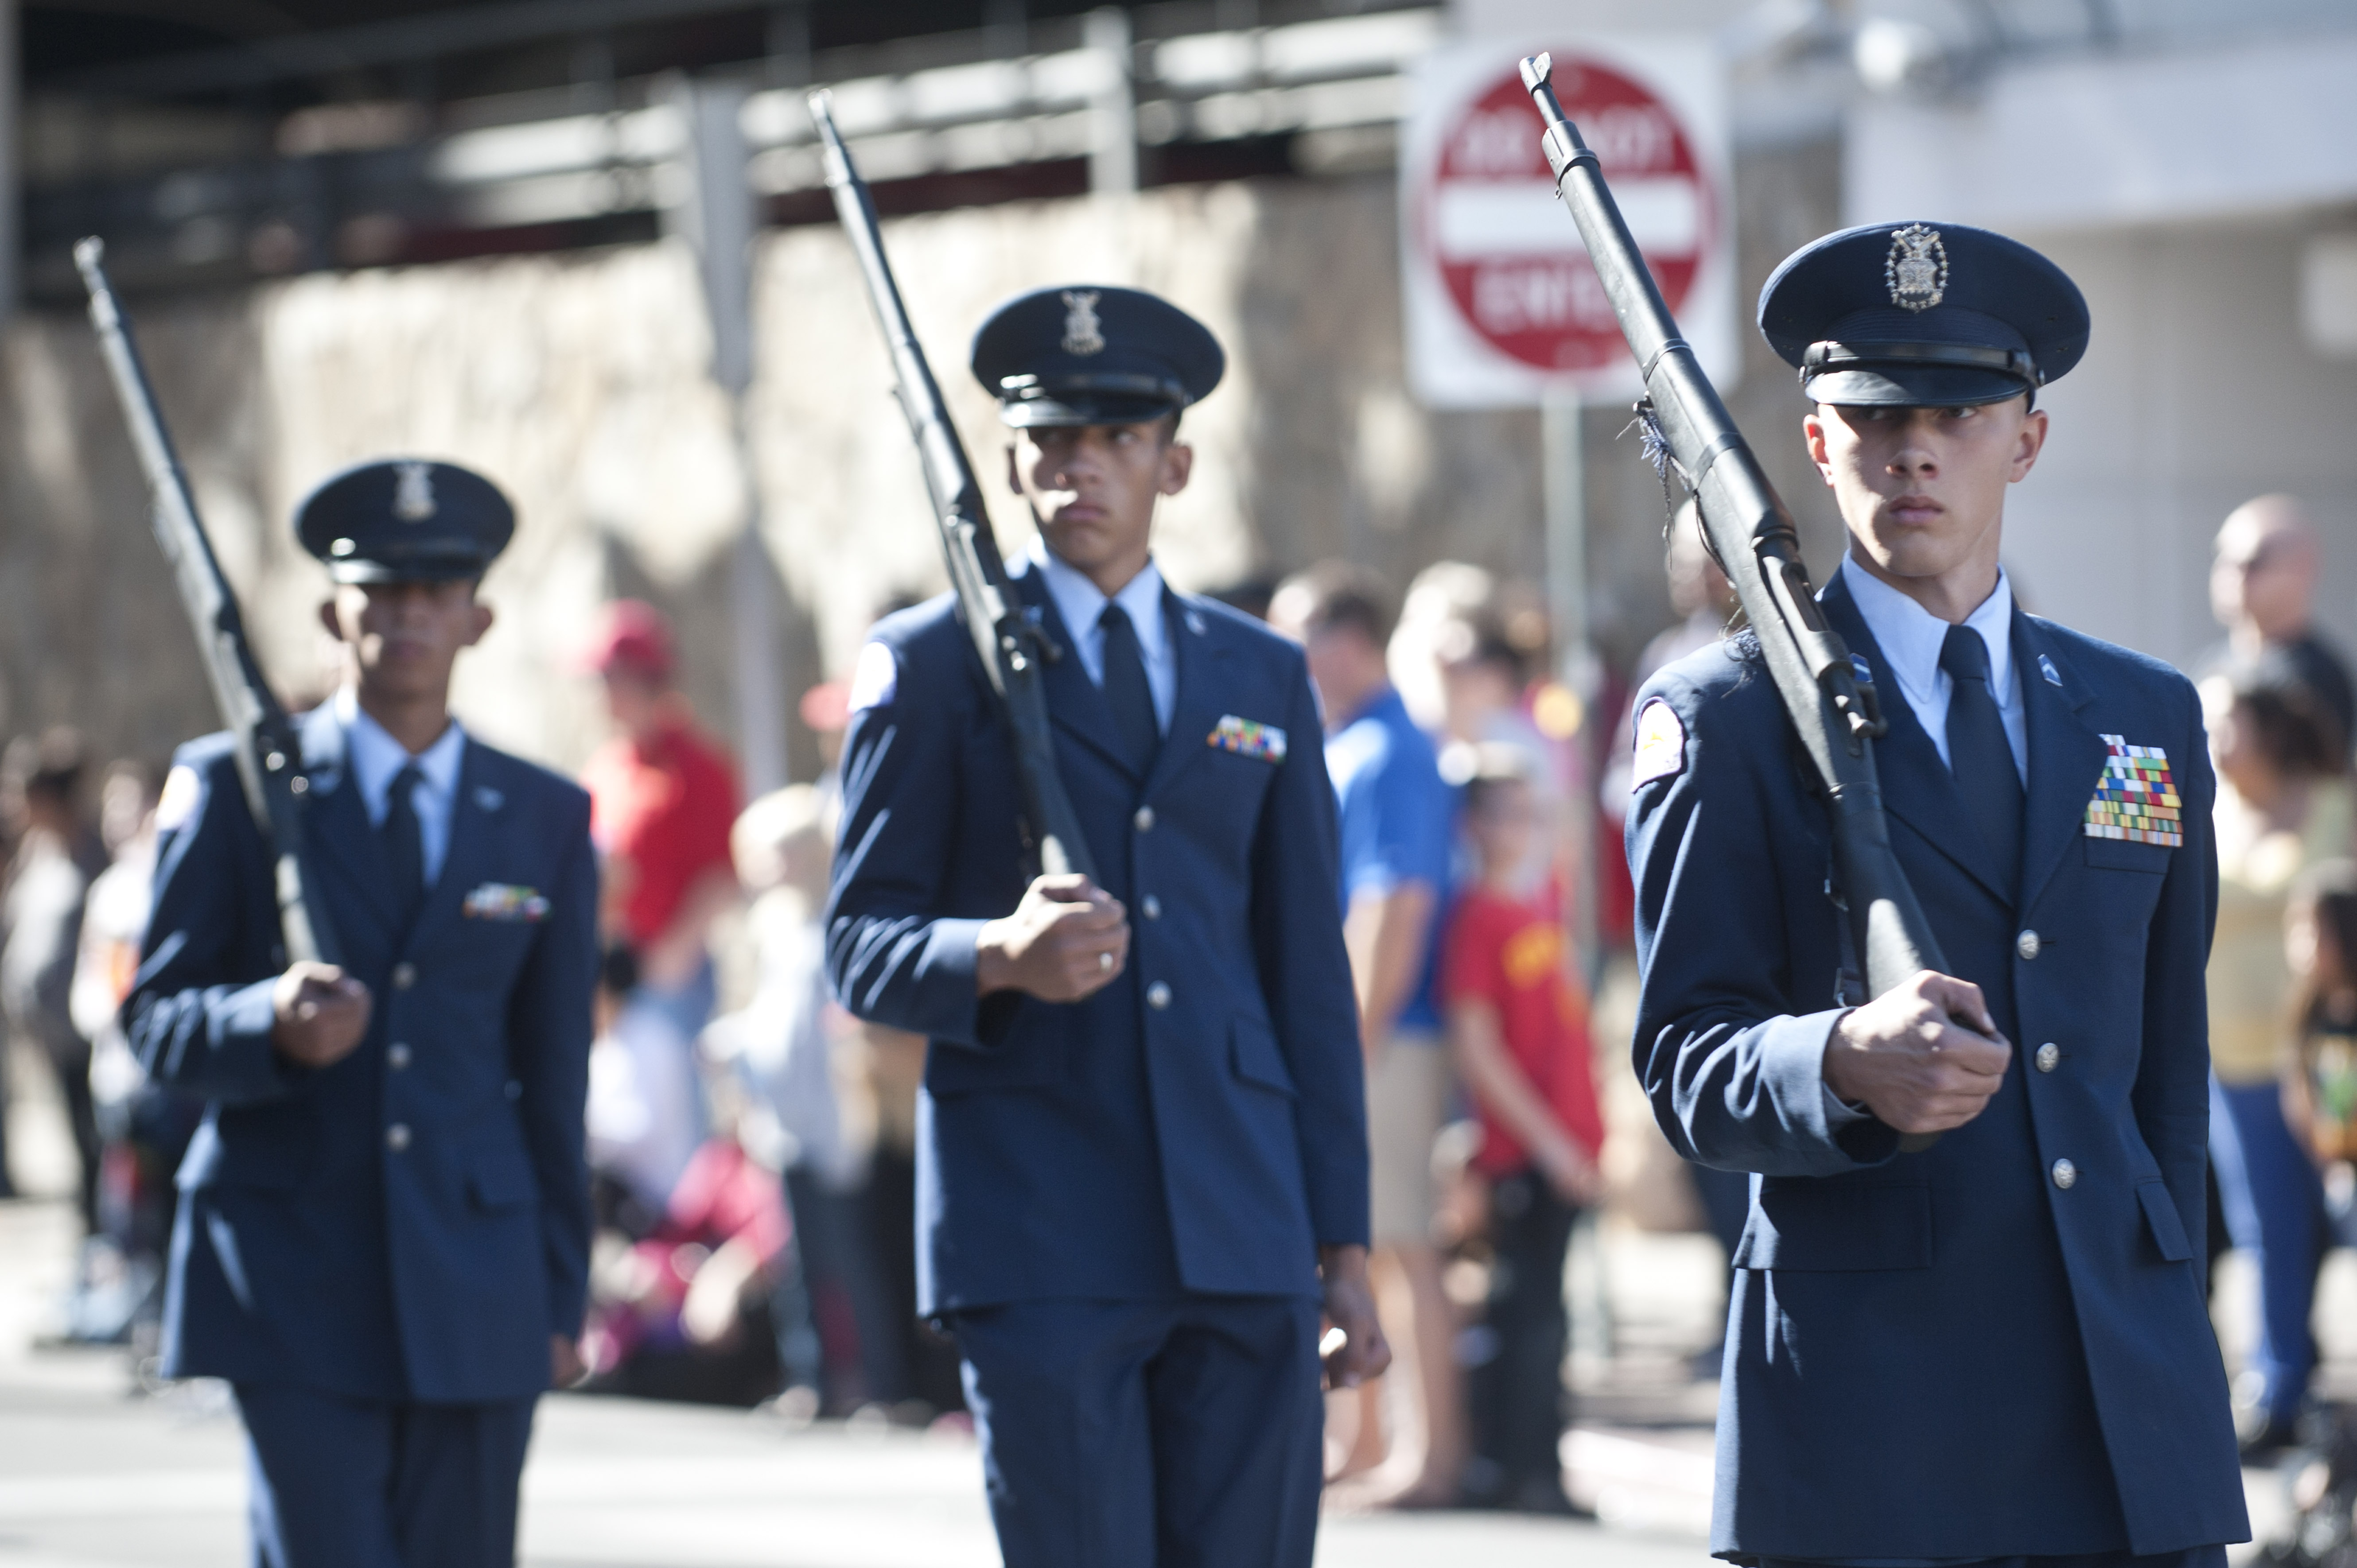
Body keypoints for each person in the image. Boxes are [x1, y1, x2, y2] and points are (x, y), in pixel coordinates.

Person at [1627, 222, 2247, 1563]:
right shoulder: (1727, 718)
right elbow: (1682, 1056)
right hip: (1873, 1415)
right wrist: (1840, 1058)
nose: (1915, 449)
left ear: (2026, 440)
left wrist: (2172, 1325)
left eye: (1958, 414)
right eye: (1876, 414)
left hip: (2120, 1401)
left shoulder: (2142, 715)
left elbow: (2166, 1076)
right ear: (1817, 442)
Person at [825, 284, 1386, 1567]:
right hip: (1043, 1225)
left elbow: (1306, 971)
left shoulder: (1260, 670)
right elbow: (860, 943)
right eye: (1052, 439)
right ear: (1012, 459)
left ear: (1173, 464)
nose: (1080, 466)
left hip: (1241, 1219)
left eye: (1118, 439)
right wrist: (998, 953)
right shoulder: (933, 662)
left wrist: (1342, 1244)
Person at [125, 459, 598, 1568]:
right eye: (381, 591)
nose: (407, 616)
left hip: (476, 1273)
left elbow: (554, 1074)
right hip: (294, 1273)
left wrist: (560, 1289)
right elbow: (156, 1019)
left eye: (436, 592)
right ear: (333, 612)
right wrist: (266, 1024)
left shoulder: (544, 814)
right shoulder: (239, 787)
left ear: (479, 618)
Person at [1268, 562, 1462, 1506]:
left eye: (1295, 636)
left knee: (1401, 1245)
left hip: (1386, 1032)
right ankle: (1365, 1437)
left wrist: (1343, 1044)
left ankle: (1431, 1455)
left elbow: (1394, 907)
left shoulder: (1387, 750)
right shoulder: (1353, 742)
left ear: (1345, 643)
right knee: (1359, 1244)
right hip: (1367, 1032)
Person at [1440, 747, 1604, 1514]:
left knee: (1549, 1315)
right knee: (1528, 1319)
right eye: (1505, 813)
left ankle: (1537, 1463)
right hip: (1528, 1155)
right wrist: (1550, 1143)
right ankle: (1518, 1469)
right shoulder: (1479, 917)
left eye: (1531, 813)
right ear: (1473, 825)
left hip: (1567, 1148)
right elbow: (1479, 1048)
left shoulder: (1545, 903)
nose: (1523, 829)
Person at [2200, 658, 2350, 1453]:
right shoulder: (2205, 810)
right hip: (2235, 1062)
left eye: (2227, 723)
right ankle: (2279, 1384)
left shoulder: (2333, 805)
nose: (2214, 739)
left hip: (2331, 1058)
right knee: (2269, 1229)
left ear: (2268, 726)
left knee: (2341, 1216)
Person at [578, 599, 742, 1042]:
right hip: (614, 976)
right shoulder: (606, 767)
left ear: (640, 678)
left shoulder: (698, 766)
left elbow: (721, 874)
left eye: (606, 679)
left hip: (674, 978)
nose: (598, 694)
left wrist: (665, 962)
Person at [0, 728, 106, 1237]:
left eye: (20, 793)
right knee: (74, 1140)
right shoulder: (36, 852)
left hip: (86, 1036)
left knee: (97, 1144)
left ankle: (105, 1237)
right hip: (49, 1037)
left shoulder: (94, 856)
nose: (10, 804)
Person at [2206, 496, 2356, 761]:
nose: (2233, 574)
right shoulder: (2206, 670)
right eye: (2224, 559)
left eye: (2254, 562)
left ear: (2301, 569)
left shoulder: (2315, 683)